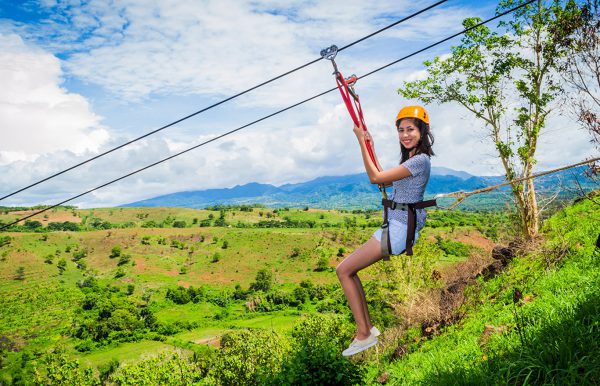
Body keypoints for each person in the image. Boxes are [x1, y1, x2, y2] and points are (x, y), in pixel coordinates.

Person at [336, 105, 435, 357]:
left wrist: (360, 142)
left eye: (410, 129)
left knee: (344, 270)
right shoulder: (411, 161)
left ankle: (364, 332)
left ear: (422, 132)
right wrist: (370, 146)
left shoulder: (420, 161)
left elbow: (375, 178)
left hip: (399, 230)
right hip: (396, 228)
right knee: (349, 270)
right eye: (401, 130)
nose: (405, 135)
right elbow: (383, 176)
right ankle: (366, 328)